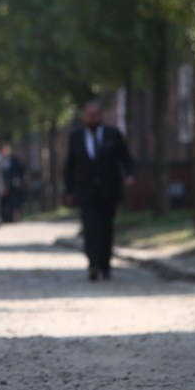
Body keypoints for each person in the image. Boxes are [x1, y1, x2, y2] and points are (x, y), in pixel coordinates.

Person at [64, 101, 135, 281]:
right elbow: (69, 166)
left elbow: (126, 158)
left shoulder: (113, 135)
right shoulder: (76, 136)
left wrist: (130, 175)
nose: (91, 118)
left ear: (101, 116)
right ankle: (93, 263)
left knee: (106, 228)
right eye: (88, 115)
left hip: (108, 190)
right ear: (84, 117)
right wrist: (69, 190)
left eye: (95, 115)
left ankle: (105, 264)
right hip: (85, 191)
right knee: (90, 227)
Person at [0, 142, 25, 223]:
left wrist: (19, 180)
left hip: (13, 185)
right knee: (3, 203)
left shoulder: (14, 159)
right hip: (2, 185)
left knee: (13, 203)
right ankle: (4, 218)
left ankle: (13, 219)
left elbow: (21, 170)